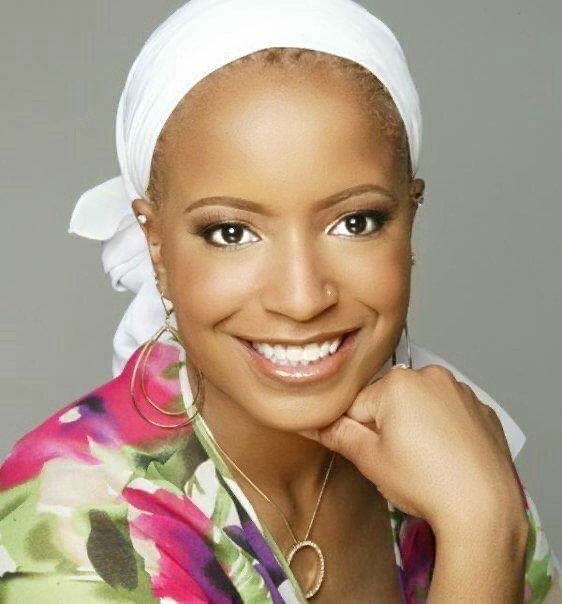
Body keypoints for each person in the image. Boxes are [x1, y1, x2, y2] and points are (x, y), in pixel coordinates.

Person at [1, 0, 560, 601]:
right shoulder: (75, 523)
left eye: (355, 222)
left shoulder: (448, 450)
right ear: (156, 245)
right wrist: (484, 530)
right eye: (231, 232)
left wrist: (482, 515)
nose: (301, 298)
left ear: (409, 218)